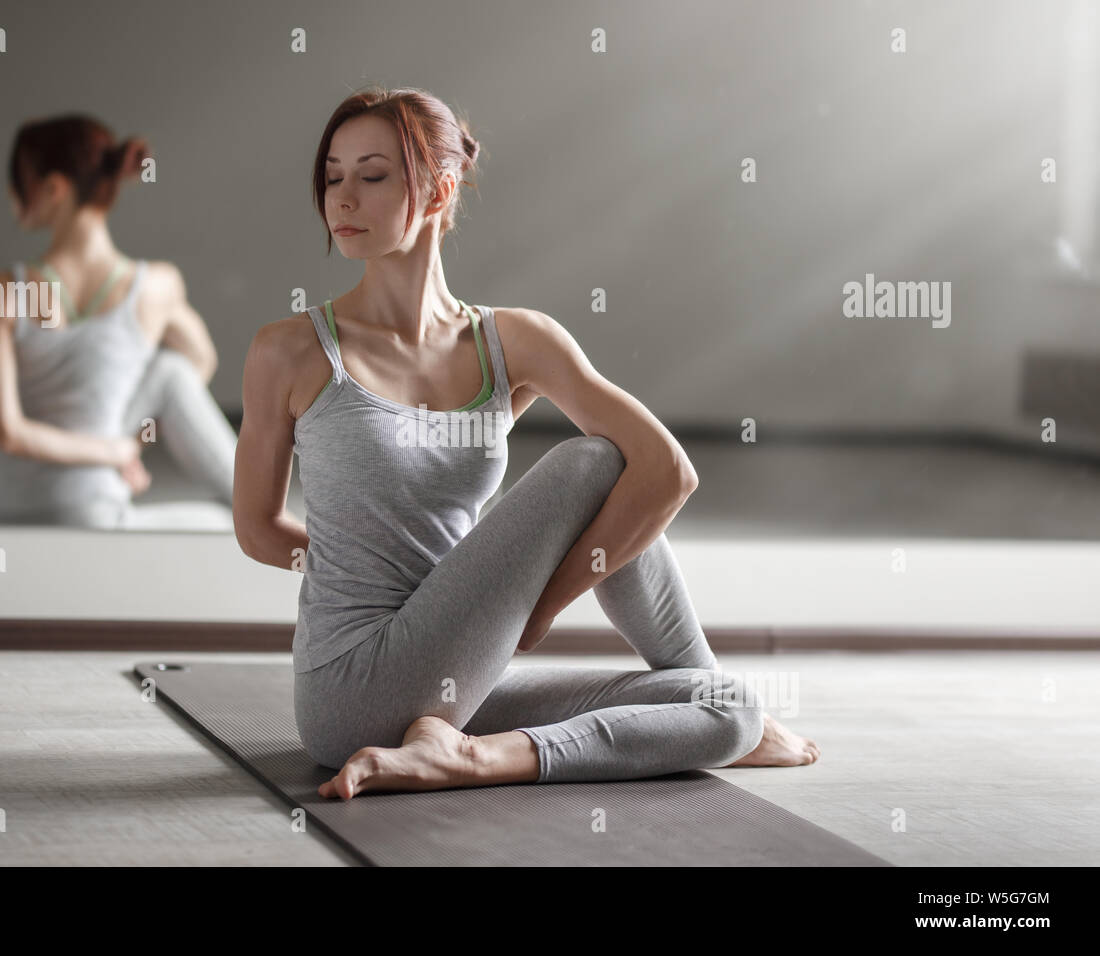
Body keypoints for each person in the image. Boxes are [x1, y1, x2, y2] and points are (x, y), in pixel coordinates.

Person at [234, 87, 820, 800]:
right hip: (348, 689)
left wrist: (532, 607)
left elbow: (668, 472)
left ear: (440, 189)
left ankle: (473, 752)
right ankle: (473, 753)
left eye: (373, 174)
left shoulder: (514, 341)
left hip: (461, 676)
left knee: (724, 709)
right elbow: (256, 527)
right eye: (332, 175)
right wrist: (347, 563)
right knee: (595, 460)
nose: (343, 198)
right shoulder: (289, 350)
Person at [0, 114, 238, 530]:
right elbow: (200, 362)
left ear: (54, 189)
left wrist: (119, 444)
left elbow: (7, 433)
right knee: (171, 374)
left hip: (0, 506)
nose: (11, 194)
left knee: (167, 371)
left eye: (18, 180)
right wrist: (121, 448)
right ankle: (277, 516)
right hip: (88, 510)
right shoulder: (158, 286)